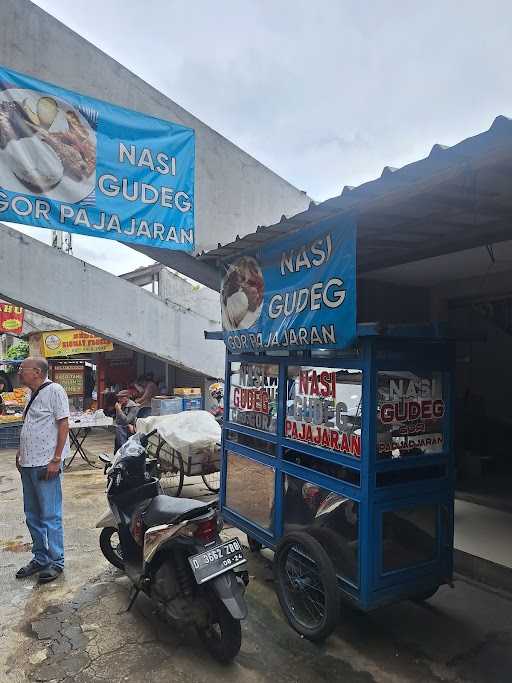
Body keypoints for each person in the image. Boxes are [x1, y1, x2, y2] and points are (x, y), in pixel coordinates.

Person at [15, 357, 70, 584]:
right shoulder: (30, 393)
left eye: (22, 369)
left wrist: (56, 459)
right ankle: (40, 557)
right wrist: (20, 453)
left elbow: (64, 424)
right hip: (28, 463)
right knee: (32, 515)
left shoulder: (55, 390)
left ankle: (56, 561)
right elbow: (30, 426)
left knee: (50, 516)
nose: (19, 373)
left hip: (46, 463)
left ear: (36, 372)